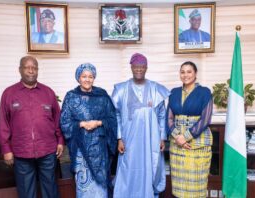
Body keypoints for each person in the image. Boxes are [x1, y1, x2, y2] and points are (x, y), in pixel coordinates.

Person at [0, 56, 64, 198]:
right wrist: (6, 149)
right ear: (20, 70)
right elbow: (3, 123)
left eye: (34, 67)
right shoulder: (9, 93)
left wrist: (60, 141)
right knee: (26, 192)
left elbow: (57, 119)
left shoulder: (48, 92)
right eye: (27, 67)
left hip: (47, 150)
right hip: (21, 152)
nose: (31, 71)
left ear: (38, 70)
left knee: (51, 190)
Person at [112, 53, 170, 198]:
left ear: (146, 68)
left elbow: (162, 115)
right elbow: (116, 115)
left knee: (151, 166)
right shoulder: (121, 89)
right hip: (129, 139)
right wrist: (119, 138)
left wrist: (162, 137)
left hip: (151, 138)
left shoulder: (156, 89)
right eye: (136, 66)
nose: (139, 69)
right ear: (131, 67)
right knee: (128, 168)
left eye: (142, 67)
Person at [60, 63, 117, 198]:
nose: (87, 79)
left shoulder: (102, 95)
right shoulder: (71, 96)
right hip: (81, 150)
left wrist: (98, 123)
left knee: (101, 186)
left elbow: (112, 119)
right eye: (84, 76)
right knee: (84, 187)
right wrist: (82, 124)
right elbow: (64, 122)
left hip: (100, 149)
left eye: (90, 76)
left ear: (94, 78)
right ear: (78, 78)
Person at [166, 61, 213, 198]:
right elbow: (169, 118)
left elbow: (205, 119)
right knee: (179, 187)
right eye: (182, 72)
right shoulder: (173, 93)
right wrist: (177, 137)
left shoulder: (204, 92)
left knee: (196, 185)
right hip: (177, 144)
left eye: (189, 71)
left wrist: (185, 137)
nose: (185, 75)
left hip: (197, 143)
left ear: (195, 74)